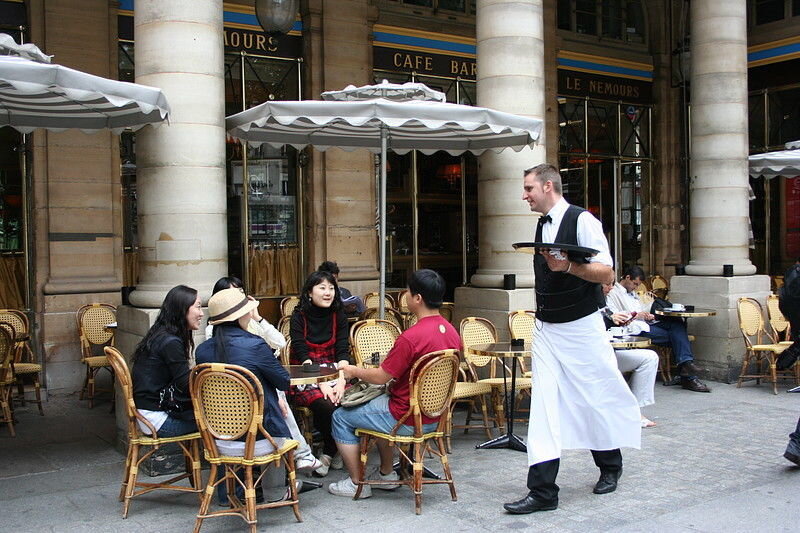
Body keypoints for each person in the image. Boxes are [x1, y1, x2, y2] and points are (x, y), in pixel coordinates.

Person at [504, 164, 641, 515]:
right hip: (548, 328)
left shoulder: (583, 221)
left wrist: (567, 266)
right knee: (544, 406)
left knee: (593, 395)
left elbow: (607, 271)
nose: (524, 196)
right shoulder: (541, 223)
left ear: (548, 186)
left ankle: (611, 464)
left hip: (582, 326)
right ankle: (543, 492)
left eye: (529, 188)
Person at [327, 269, 461, 498]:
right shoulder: (452, 332)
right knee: (377, 405)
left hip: (404, 416)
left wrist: (351, 370)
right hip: (436, 417)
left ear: (417, 298)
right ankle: (387, 474)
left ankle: (357, 482)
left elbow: (381, 376)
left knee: (340, 417)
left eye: (408, 292)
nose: (406, 296)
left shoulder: (411, 337)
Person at [203, 276, 322, 473]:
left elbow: (280, 343)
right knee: (277, 400)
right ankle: (277, 491)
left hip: (217, 436)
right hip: (258, 434)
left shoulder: (203, 350)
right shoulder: (253, 344)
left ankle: (300, 458)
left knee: (276, 398)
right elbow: (283, 381)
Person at [605, 266, 711, 393]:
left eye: (638, 285)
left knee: (677, 323)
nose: (636, 287)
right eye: (635, 284)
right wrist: (636, 315)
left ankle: (686, 367)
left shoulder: (632, 293)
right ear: (627, 278)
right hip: (634, 328)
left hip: (645, 323)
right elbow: (615, 316)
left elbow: (640, 309)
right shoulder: (612, 292)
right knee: (678, 338)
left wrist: (647, 315)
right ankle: (687, 372)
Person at [289, 270, 352, 476]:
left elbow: (343, 351)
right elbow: (301, 352)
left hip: (335, 369)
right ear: (309, 292)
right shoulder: (299, 317)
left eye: (331, 288)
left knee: (345, 399)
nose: (328, 293)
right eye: (322, 288)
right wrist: (321, 381)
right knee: (326, 404)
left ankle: (329, 451)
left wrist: (340, 381)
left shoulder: (339, 315)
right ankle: (333, 450)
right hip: (306, 372)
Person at [131, 285, 202, 438]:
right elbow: (185, 384)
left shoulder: (161, 333)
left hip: (147, 413)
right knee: (218, 421)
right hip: (156, 420)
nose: (201, 313)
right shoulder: (170, 342)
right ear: (182, 309)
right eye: (198, 307)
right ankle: (225, 460)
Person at [601, 281, 659, 428]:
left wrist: (621, 321)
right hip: (592, 359)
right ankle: (630, 413)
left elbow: (610, 324)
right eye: (607, 284)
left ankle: (635, 410)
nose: (611, 287)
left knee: (650, 357)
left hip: (610, 353)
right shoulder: (586, 304)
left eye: (612, 284)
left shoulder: (604, 302)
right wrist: (610, 320)